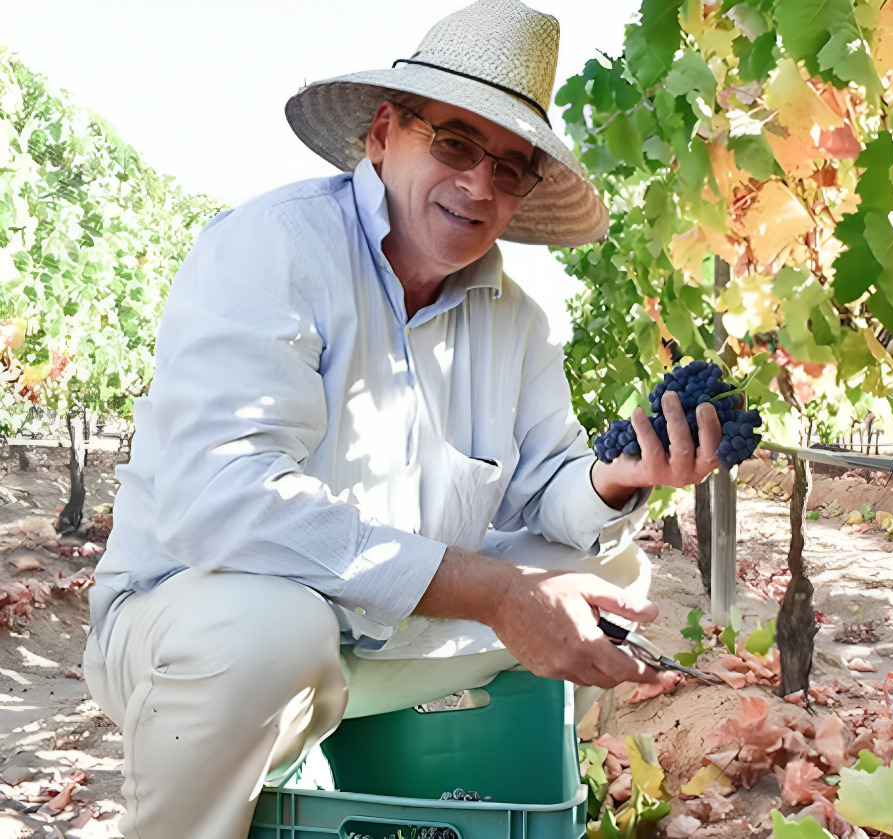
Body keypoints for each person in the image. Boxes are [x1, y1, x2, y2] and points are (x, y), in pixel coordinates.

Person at [82, 1, 722, 835]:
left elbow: (549, 494)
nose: (479, 184)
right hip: (190, 629)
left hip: (372, 645)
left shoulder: (516, 323)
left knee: (614, 577)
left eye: (509, 166)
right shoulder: (272, 248)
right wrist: (496, 593)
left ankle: (330, 729)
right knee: (273, 627)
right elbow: (224, 501)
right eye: (455, 144)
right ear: (384, 132)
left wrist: (613, 479)